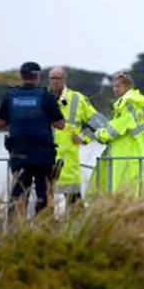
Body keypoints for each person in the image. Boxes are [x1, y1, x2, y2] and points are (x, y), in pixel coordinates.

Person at [0, 62, 66, 216]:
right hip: (42, 156)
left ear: (22, 76)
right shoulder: (46, 96)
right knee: (43, 195)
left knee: (19, 192)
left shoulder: (10, 95)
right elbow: (60, 124)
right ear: (38, 76)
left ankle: (15, 227)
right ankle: (44, 227)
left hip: (19, 154)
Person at [47, 66, 105, 206]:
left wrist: (84, 137)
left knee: (74, 206)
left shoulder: (77, 99)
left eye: (58, 78)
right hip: (45, 159)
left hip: (68, 162)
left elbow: (100, 122)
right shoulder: (43, 97)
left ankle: (82, 227)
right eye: (52, 78)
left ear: (65, 79)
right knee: (44, 204)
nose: (55, 81)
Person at [88, 70, 144, 198]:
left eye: (118, 86)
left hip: (124, 158)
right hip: (129, 155)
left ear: (127, 87)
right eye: (113, 86)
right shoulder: (131, 104)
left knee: (123, 195)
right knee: (129, 194)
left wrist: (98, 133)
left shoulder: (127, 105)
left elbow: (113, 131)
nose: (114, 89)